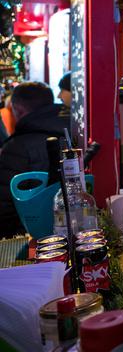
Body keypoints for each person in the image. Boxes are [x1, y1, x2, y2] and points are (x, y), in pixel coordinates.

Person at [0, 82, 71, 237]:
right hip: (75, 227)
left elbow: (5, 205)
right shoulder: (72, 132)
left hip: (31, 236)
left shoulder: (16, 147)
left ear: (17, 109)